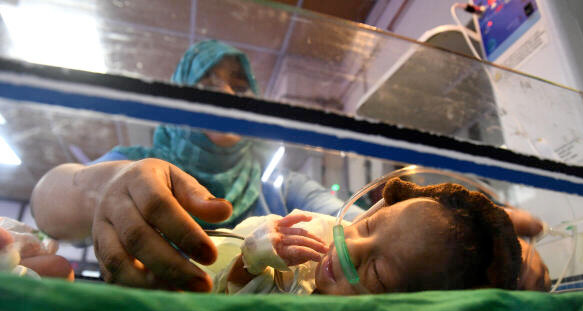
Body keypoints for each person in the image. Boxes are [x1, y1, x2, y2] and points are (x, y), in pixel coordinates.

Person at [30, 40, 362, 292]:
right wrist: (102, 187)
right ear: (181, 97)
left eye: (241, 86)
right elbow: (47, 206)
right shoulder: (136, 162)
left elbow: (356, 223)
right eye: (206, 85)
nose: (228, 94)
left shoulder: (281, 187)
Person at [203, 178, 549, 295]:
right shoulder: (315, 243)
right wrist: (253, 256)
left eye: (379, 274)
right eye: (367, 227)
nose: (348, 247)